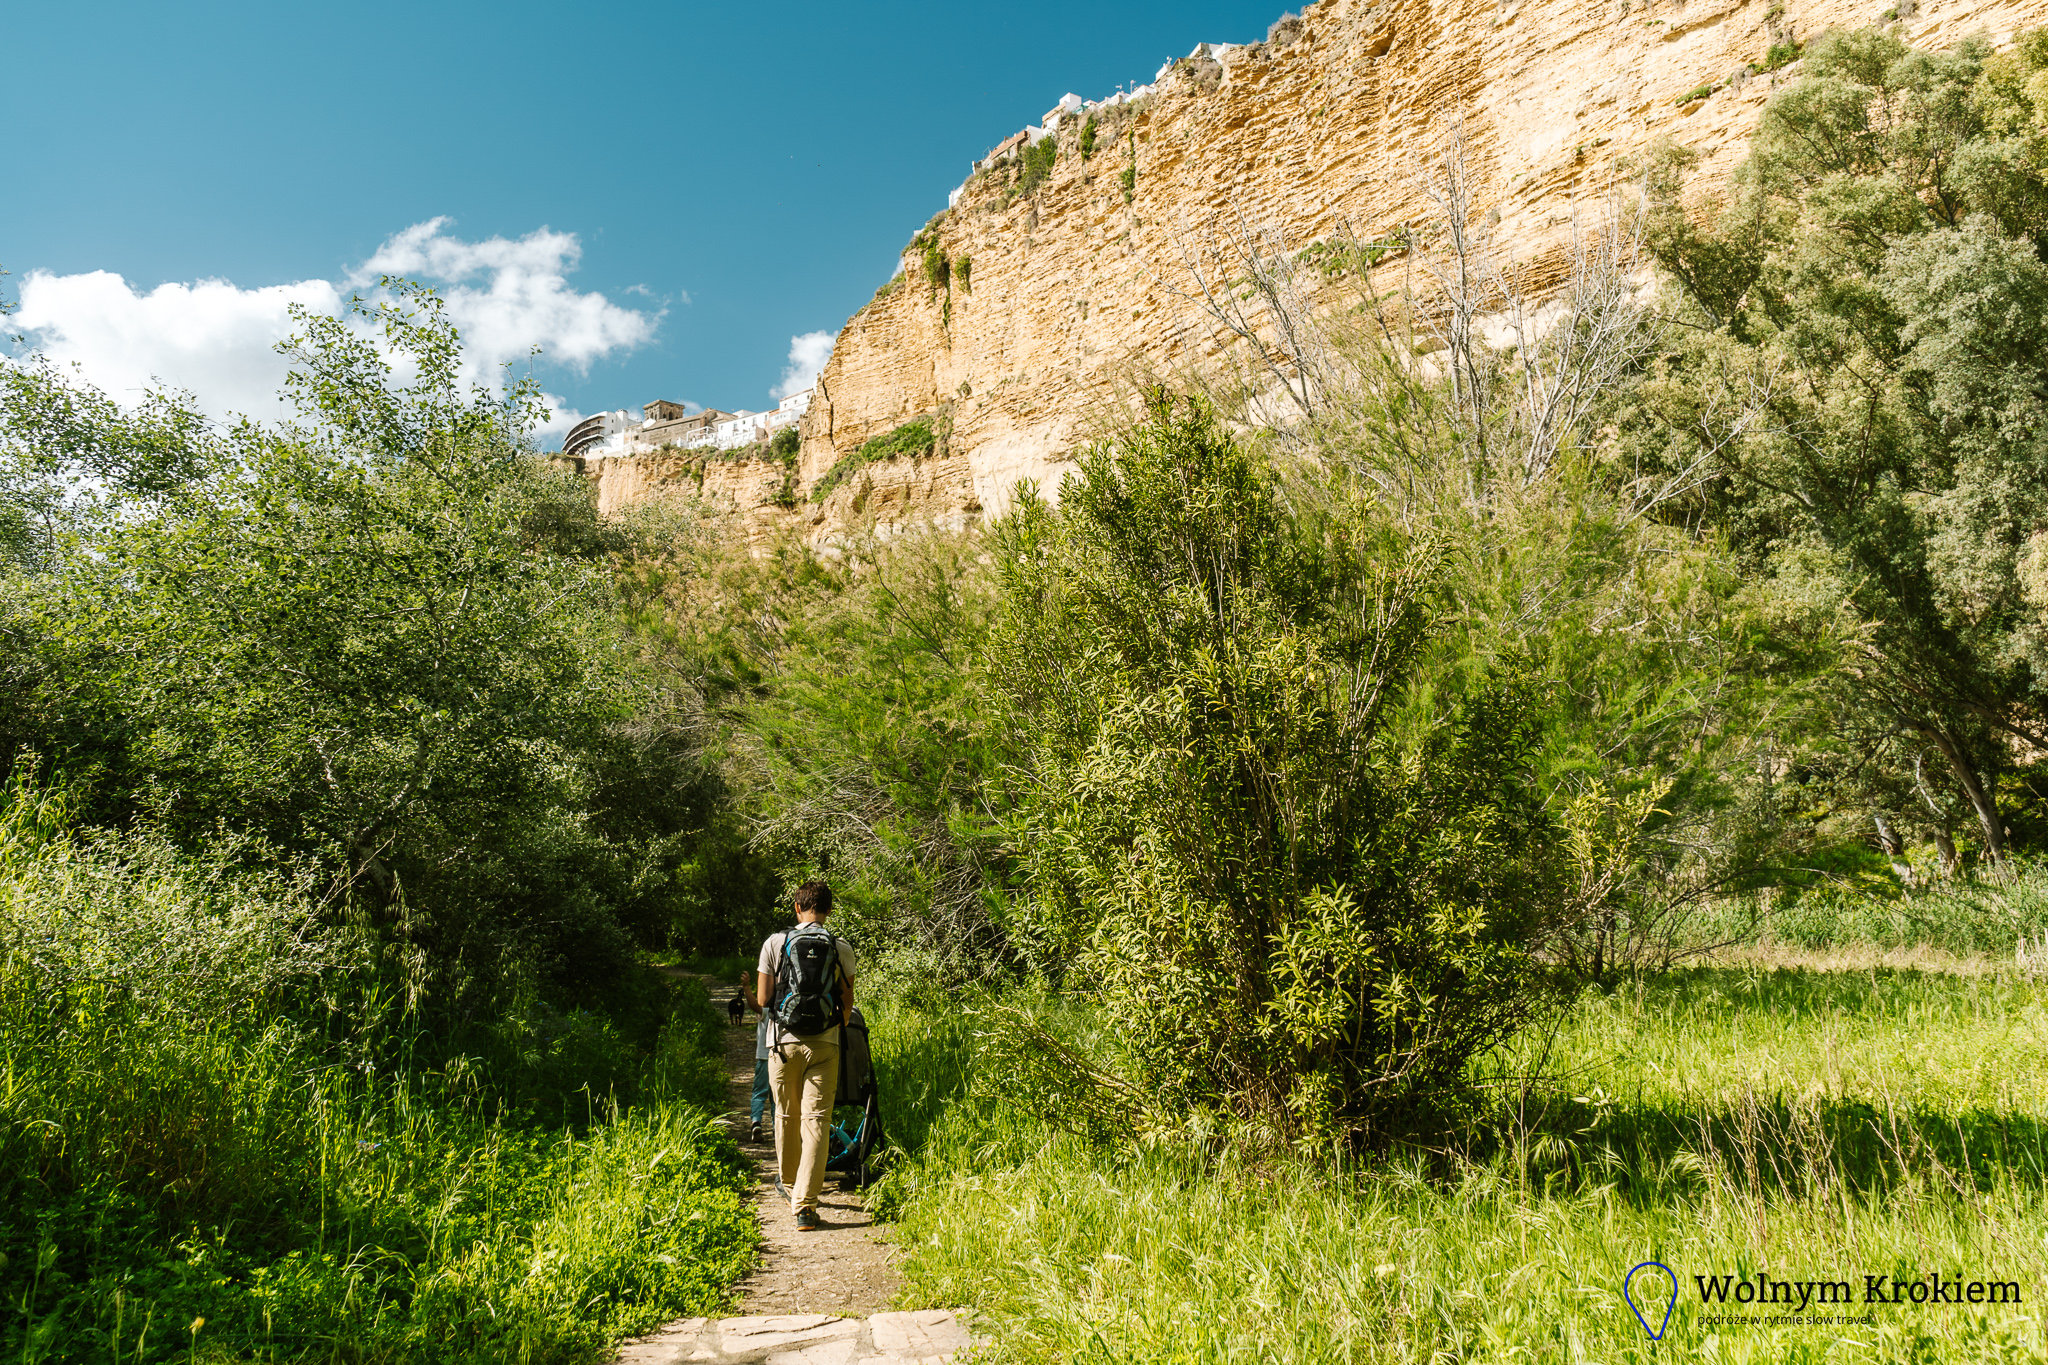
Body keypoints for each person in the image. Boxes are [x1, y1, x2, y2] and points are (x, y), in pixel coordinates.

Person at [755, 881, 856, 1232]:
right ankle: (805, 1205)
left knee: (785, 1115)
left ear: (797, 907)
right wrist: (832, 1031)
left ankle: (789, 1185)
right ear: (828, 910)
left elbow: (763, 999)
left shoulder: (775, 942)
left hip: (783, 1043)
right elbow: (846, 1003)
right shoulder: (840, 947)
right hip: (825, 1044)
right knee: (817, 1121)